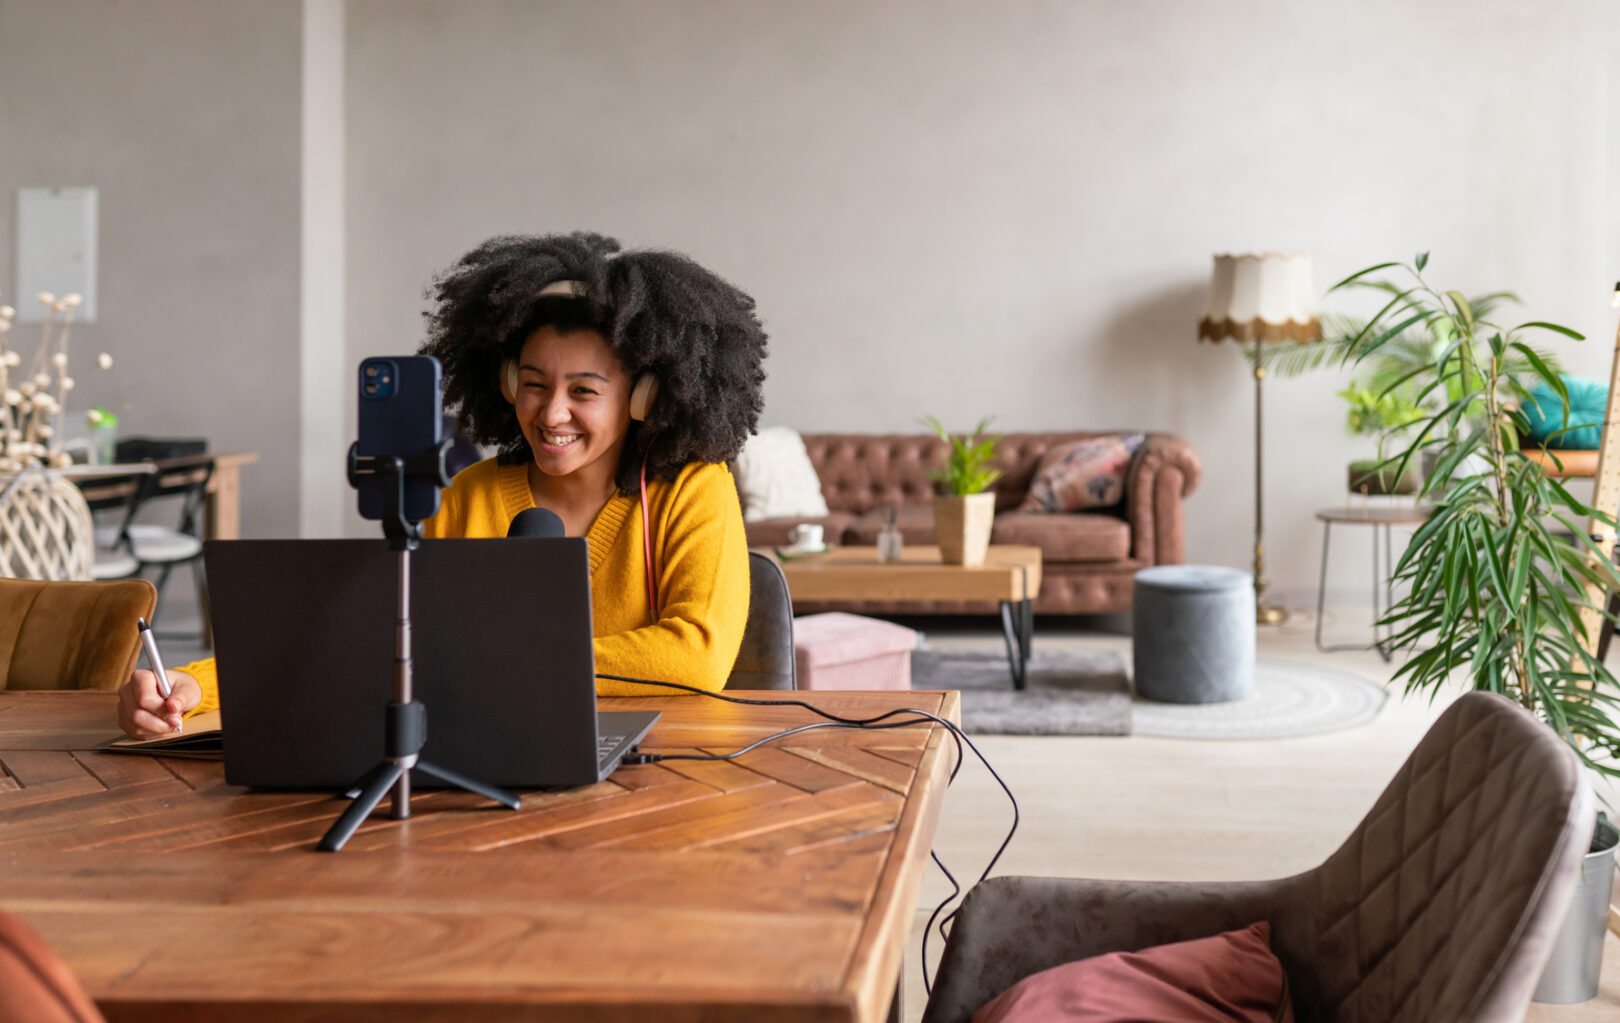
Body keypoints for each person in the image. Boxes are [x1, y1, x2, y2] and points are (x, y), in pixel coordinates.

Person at [118, 231, 766, 739]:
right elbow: (382, 638)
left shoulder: (692, 488)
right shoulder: (471, 493)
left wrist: (495, 661)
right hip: (483, 762)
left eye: (584, 392)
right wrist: (192, 680)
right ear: (507, 382)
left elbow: (696, 656)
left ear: (643, 398)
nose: (551, 412)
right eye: (534, 384)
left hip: (665, 768)